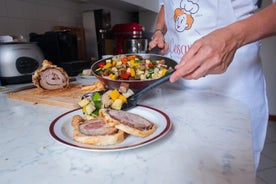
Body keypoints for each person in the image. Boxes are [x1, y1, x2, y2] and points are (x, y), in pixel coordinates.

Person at [149, 0, 276, 169]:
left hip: (230, 90)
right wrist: (159, 30)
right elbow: (167, 4)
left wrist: (233, 38)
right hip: (173, 89)